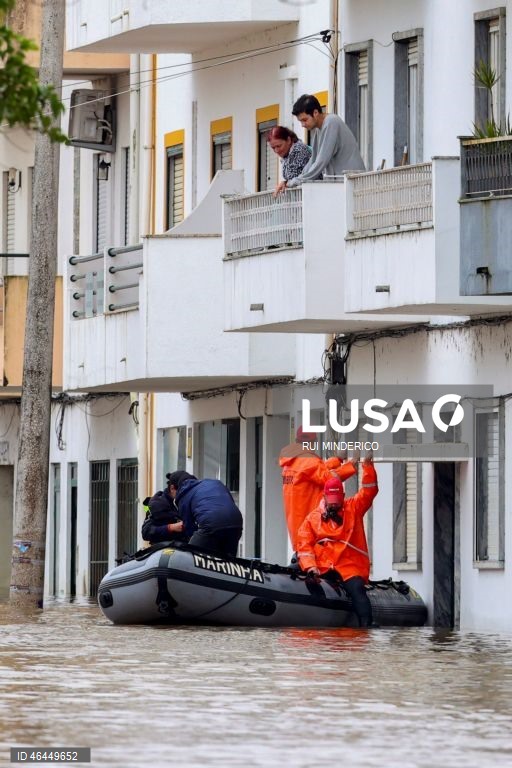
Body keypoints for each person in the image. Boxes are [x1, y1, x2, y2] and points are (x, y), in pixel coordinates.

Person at [296, 455, 378, 627]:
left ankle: (366, 626)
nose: (333, 506)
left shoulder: (353, 508)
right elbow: (304, 545)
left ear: (343, 496)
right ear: (324, 498)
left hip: (349, 565)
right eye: (331, 502)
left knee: (357, 590)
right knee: (294, 566)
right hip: (323, 564)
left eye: (336, 502)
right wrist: (310, 566)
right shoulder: (313, 518)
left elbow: (369, 492)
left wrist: (368, 466)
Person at [279, 426, 357, 553]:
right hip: (313, 529)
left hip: (297, 529)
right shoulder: (309, 461)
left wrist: (337, 460)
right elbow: (330, 480)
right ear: (313, 442)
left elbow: (316, 471)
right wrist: (351, 465)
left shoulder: (290, 462)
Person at [275, 93, 365, 194]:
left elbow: (321, 161)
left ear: (315, 112)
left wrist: (294, 182)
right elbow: (313, 160)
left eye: (305, 120)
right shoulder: (318, 130)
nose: (303, 125)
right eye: (300, 121)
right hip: (342, 186)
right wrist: (290, 181)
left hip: (353, 185)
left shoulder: (331, 123)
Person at [167, 471, 243, 558]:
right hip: (236, 524)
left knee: (190, 557)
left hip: (211, 524)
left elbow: (189, 527)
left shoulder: (184, 495)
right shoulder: (215, 483)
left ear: (172, 488)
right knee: (228, 562)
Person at [141, 476, 186, 544]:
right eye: (181, 491)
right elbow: (146, 532)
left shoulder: (179, 503)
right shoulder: (157, 504)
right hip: (164, 550)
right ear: (172, 488)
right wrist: (170, 527)